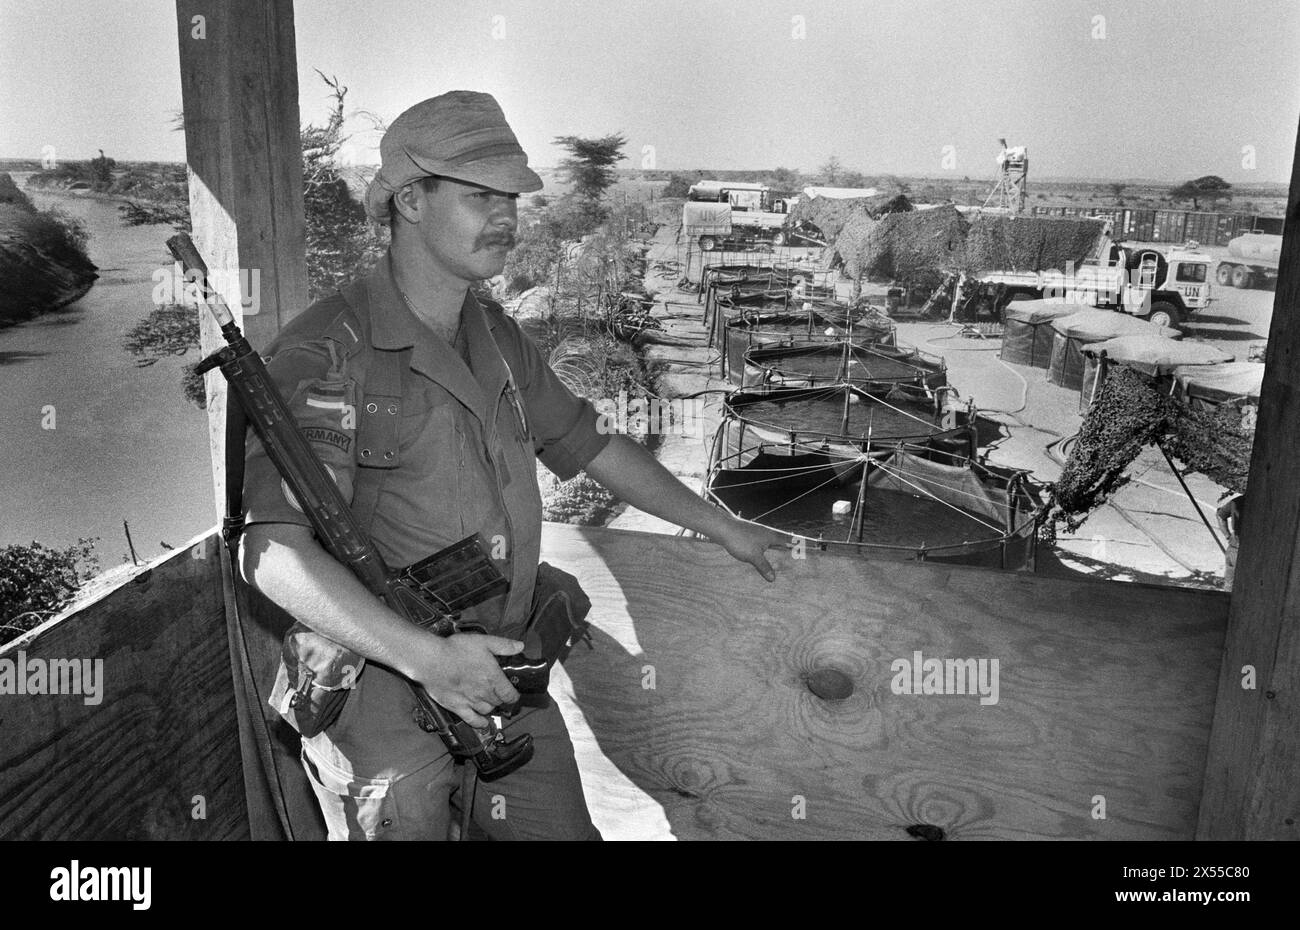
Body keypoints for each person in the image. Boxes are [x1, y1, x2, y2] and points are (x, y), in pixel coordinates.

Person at [237, 91, 787, 841]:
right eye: (478, 196)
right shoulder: (327, 352)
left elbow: (591, 443)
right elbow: (271, 557)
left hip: (506, 682)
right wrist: (428, 660)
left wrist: (720, 527)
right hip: (385, 704)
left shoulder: (493, 329)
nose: (506, 216)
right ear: (409, 201)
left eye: (511, 197)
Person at [1216, 491, 1245, 590]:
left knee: (1230, 585)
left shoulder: (1238, 501)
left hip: (1234, 546)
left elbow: (1220, 515)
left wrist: (1228, 536)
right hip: (1250, 550)